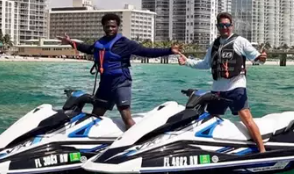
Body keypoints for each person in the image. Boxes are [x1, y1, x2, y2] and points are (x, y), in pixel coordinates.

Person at [57, 13, 183, 130]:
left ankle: (135, 143)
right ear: (103, 27)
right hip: (105, 84)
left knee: (126, 116)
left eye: (113, 26)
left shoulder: (125, 43)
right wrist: (70, 42)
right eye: (107, 26)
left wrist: (169, 50)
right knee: (95, 116)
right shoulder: (99, 43)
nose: (110, 29)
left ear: (117, 27)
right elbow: (88, 49)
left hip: (121, 82)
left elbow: (146, 52)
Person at [177, 12, 268, 153]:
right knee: (209, 119)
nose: (225, 28)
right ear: (218, 27)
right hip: (218, 89)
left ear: (232, 26)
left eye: (227, 25)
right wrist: (187, 62)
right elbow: (205, 64)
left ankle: (262, 151)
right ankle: (213, 149)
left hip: (236, 87)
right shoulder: (214, 45)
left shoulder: (240, 41)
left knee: (247, 118)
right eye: (221, 25)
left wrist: (262, 58)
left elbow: (257, 58)